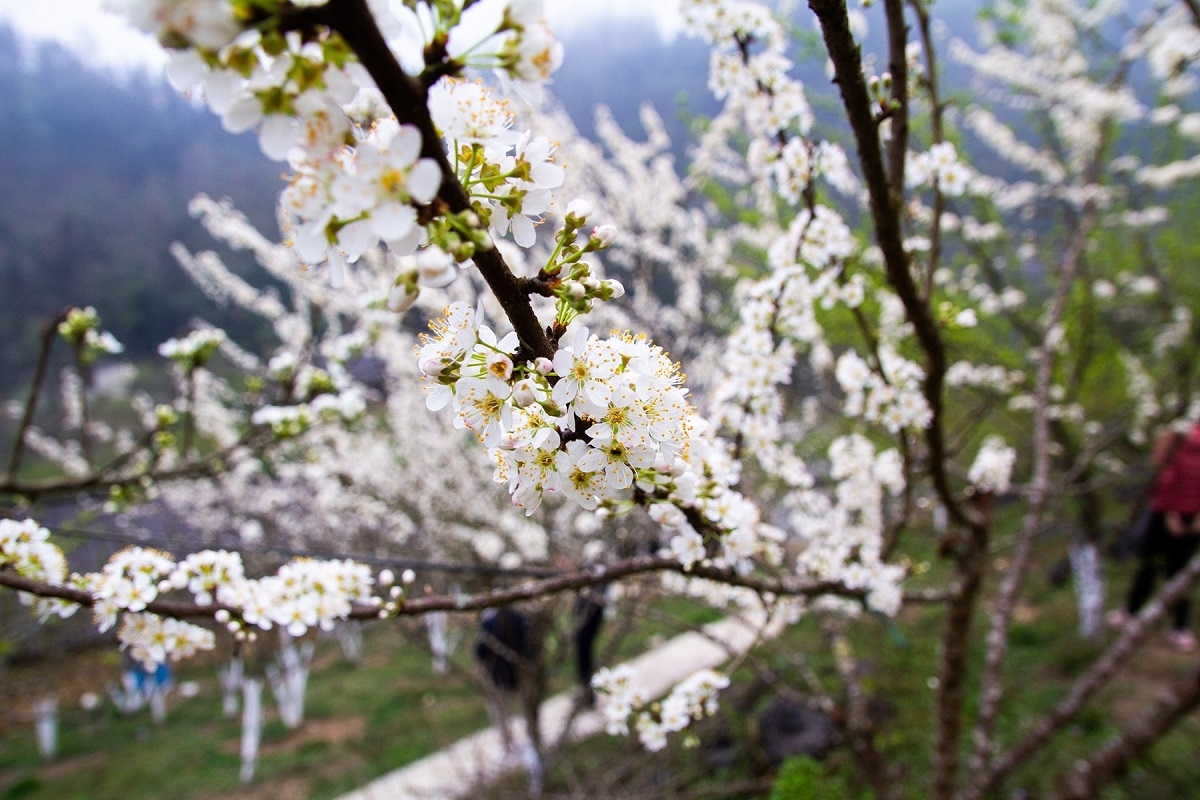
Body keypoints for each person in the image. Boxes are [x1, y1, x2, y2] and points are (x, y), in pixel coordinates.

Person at [1109, 421, 1200, 651]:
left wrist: (1171, 515)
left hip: (1167, 515)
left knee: (1150, 566)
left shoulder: (1178, 440)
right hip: (1188, 518)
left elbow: (1165, 480)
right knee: (1179, 573)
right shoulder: (1180, 440)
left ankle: (1132, 612)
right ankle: (1179, 628)